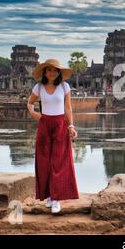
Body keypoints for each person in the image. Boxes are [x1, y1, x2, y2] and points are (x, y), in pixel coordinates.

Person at [27, 59, 79, 214]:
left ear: (59, 73)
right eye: (49, 70)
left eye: (55, 70)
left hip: (60, 124)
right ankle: (49, 196)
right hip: (45, 125)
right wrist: (36, 115)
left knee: (58, 161)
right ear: (45, 72)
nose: (52, 73)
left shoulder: (64, 86)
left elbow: (68, 107)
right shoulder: (39, 87)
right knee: (44, 161)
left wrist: (71, 126)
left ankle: (56, 199)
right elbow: (29, 103)